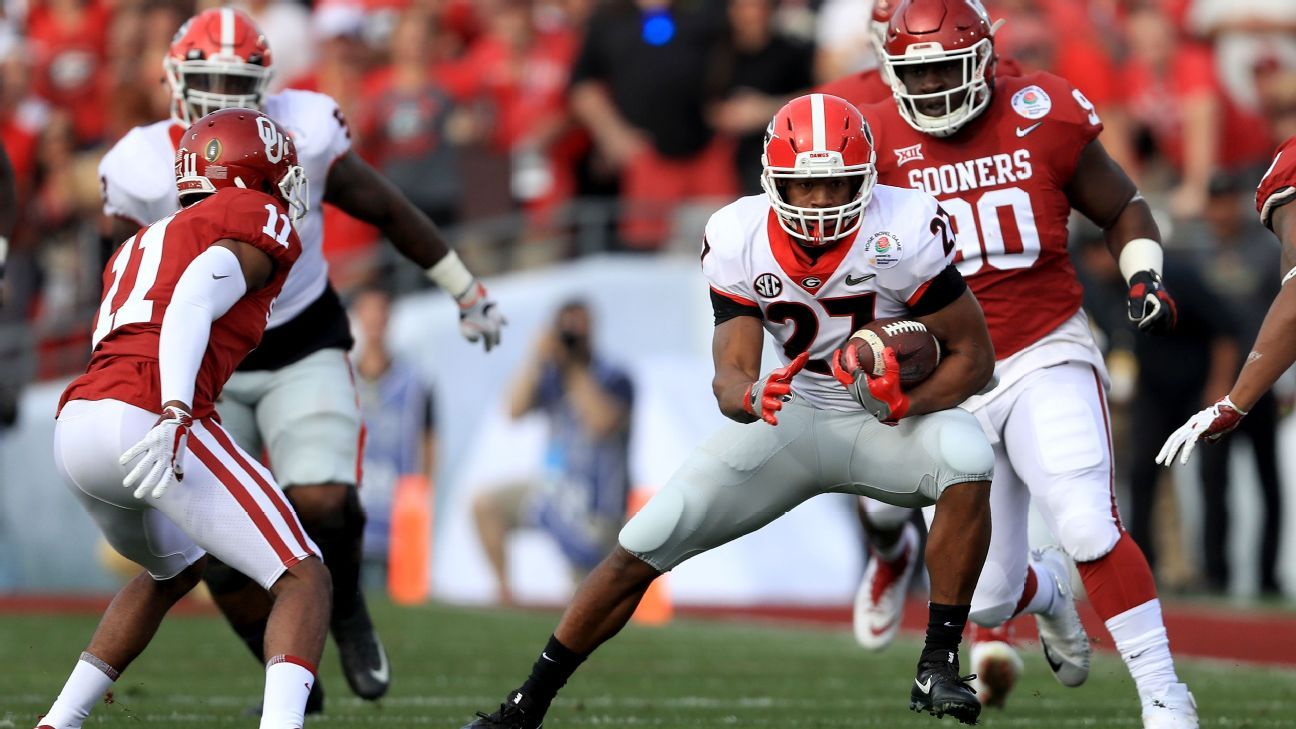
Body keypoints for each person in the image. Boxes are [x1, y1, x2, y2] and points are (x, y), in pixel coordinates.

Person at [463, 93, 998, 729]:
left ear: (867, 179)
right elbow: (729, 376)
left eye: (836, 185)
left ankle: (936, 662)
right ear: (775, 182)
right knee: (642, 543)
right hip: (792, 411)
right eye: (806, 187)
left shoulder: (904, 230)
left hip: (884, 416)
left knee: (968, 454)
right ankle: (526, 706)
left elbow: (975, 358)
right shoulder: (739, 236)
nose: (822, 204)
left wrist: (911, 400)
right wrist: (750, 395)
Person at [96, 8, 506, 706]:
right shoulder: (140, 163)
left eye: (237, 80)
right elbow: (120, 266)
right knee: (210, 543)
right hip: (205, 361)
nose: (223, 97)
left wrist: (463, 288)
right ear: (173, 80)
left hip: (300, 336)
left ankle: (345, 608)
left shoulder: (307, 129)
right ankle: (281, 657)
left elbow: (384, 205)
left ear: (268, 83)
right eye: (208, 80)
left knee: (324, 499)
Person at [849, 1, 1197, 725]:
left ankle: (1165, 694)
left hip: (1043, 347)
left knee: (1085, 519)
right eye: (921, 72)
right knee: (986, 597)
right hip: (949, 379)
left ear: (984, 58)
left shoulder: (1040, 107)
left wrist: (1142, 276)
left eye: (950, 66)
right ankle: (1046, 592)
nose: (938, 86)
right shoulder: (874, 135)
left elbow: (1122, 205)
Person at [38, 109, 329, 729]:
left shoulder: (139, 242)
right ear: (253, 172)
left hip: (78, 425)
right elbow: (198, 294)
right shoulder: (255, 215)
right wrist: (174, 409)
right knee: (303, 575)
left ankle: (57, 722)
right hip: (150, 412)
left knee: (174, 567)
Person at [1158, 137, 1296, 562]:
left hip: (1256, 376)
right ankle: (1216, 568)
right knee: (1216, 482)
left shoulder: (1259, 242)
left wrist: (1234, 403)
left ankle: (1266, 572)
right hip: (1231, 373)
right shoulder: (1195, 248)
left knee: (1266, 477)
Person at [472, 299, 633, 605]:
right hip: (555, 491)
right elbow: (513, 410)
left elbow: (601, 423)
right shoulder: (551, 376)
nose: (572, 336)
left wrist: (573, 368)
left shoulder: (615, 377)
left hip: (597, 505)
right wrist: (535, 357)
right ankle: (505, 594)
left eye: (579, 328)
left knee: (586, 606)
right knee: (486, 505)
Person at [350, 286, 438, 588]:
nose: (375, 320)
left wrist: (422, 495)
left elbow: (429, 440)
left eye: (380, 311)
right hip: (350, 511)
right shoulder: (342, 377)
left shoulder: (413, 380)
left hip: (397, 513)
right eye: (368, 311)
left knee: (397, 601)